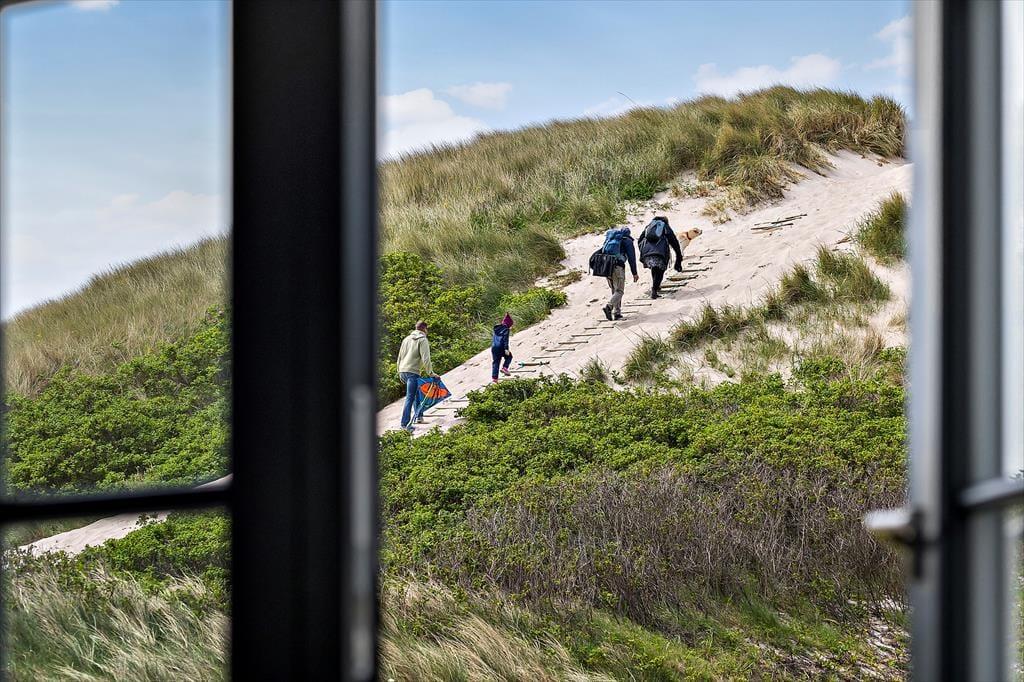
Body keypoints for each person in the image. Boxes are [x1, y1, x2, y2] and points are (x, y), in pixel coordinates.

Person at [637, 216, 694, 299]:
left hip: (648, 254)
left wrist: (644, 251)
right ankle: (654, 290)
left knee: (654, 269)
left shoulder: (649, 227)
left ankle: (656, 287)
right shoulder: (665, 227)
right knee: (660, 271)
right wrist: (678, 255)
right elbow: (674, 241)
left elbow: (640, 240)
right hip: (661, 253)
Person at [396, 320, 433, 432]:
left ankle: (419, 417)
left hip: (403, 370)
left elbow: (400, 356)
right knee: (410, 397)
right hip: (412, 372)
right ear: (425, 329)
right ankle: (405, 424)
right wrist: (431, 373)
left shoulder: (406, 339)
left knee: (417, 393)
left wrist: (399, 371)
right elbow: (426, 358)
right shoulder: (422, 339)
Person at [601, 226, 638, 321]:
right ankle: (609, 307)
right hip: (617, 267)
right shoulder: (628, 241)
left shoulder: (610, 239)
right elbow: (632, 258)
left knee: (614, 289)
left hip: (607, 266)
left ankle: (617, 312)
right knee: (619, 291)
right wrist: (634, 273)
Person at [490, 312, 514, 383]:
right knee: (509, 357)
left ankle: (495, 378)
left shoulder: (496, 329)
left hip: (494, 347)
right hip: (501, 347)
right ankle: (505, 368)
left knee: (496, 362)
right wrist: (506, 349)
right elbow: (505, 339)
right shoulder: (506, 329)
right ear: (509, 324)